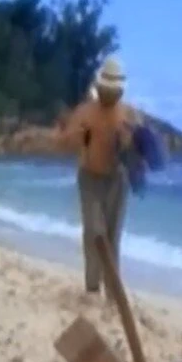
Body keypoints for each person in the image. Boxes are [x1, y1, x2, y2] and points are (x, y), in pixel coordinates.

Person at [59, 57, 139, 297]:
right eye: (107, 90)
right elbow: (64, 142)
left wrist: (128, 143)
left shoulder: (128, 114)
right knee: (94, 233)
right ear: (100, 87)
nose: (111, 95)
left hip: (117, 180)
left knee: (113, 237)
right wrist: (77, 136)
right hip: (89, 178)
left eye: (115, 91)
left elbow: (138, 155)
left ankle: (112, 292)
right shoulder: (85, 111)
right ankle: (92, 286)